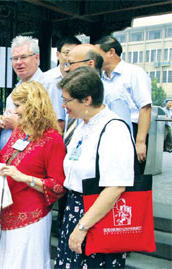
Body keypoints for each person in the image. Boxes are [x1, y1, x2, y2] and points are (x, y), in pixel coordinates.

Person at [0, 81, 66, 268]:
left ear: (33, 105)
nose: (14, 111)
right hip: (4, 212)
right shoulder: (19, 132)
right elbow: (0, 163)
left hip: (30, 219)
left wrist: (25, 178)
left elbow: (58, 186)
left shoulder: (52, 139)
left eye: (18, 105)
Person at [54, 67, 134, 268]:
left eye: (68, 100)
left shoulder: (113, 128)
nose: (63, 106)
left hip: (96, 216)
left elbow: (116, 187)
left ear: (87, 100)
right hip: (75, 209)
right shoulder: (82, 124)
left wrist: (82, 226)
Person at [0, 36, 64, 148]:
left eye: (24, 57)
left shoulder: (49, 85)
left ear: (36, 58)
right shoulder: (17, 88)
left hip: (34, 156)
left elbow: (58, 126)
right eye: (15, 58)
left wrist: (18, 124)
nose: (19, 62)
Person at [95, 35, 152, 173]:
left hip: (132, 130)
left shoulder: (134, 73)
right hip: (109, 130)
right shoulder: (101, 79)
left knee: (131, 177)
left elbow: (145, 108)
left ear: (111, 52)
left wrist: (140, 142)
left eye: (97, 55)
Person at [64, 44, 132, 134]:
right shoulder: (72, 94)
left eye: (70, 63)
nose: (66, 69)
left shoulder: (113, 95)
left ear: (90, 64)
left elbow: (122, 134)